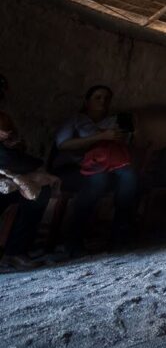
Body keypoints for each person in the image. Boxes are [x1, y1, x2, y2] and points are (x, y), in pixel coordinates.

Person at [54, 85, 140, 256]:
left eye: (107, 98)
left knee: (130, 177)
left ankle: (119, 238)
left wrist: (126, 135)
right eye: (98, 97)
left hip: (107, 167)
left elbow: (128, 145)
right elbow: (62, 145)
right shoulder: (76, 120)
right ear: (87, 101)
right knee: (98, 181)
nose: (103, 101)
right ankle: (73, 240)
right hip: (73, 168)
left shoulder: (112, 122)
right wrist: (100, 136)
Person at [0, 75, 59, 270]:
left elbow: (14, 151)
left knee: (40, 192)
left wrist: (11, 142)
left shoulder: (2, 118)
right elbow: (7, 158)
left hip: (5, 176)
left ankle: (15, 252)